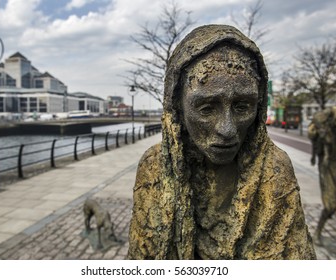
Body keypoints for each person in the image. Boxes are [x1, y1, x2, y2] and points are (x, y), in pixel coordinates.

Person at [128, 24, 316, 259]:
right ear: (177, 106)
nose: (227, 130)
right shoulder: (155, 167)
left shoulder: (275, 169)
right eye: (206, 109)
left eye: (242, 107)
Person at [308, 106, 336, 256]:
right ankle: (318, 232)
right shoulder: (325, 125)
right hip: (327, 168)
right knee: (330, 205)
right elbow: (313, 134)